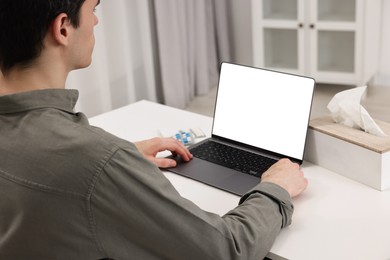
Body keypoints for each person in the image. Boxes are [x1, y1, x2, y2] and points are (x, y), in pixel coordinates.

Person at [0, 0, 308, 259]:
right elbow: (226, 248)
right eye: (93, 8)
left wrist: (124, 159)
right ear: (63, 27)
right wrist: (274, 189)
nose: (95, 20)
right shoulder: (95, 160)